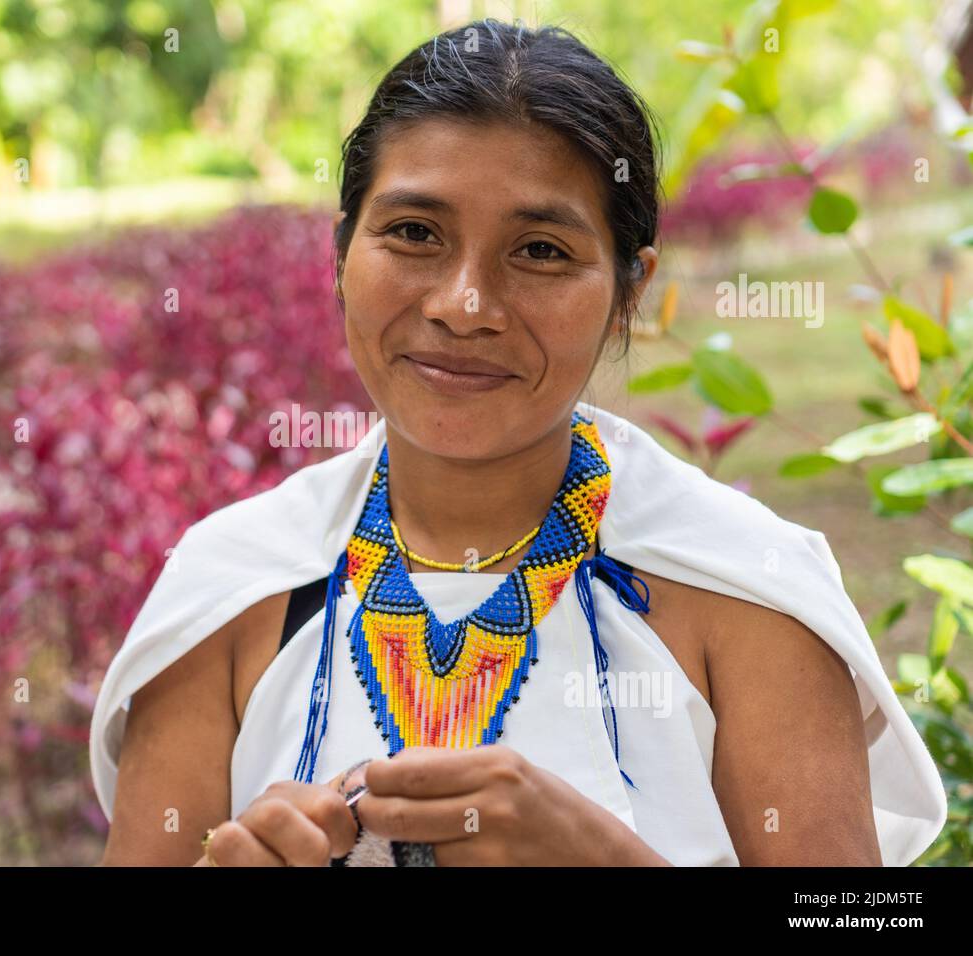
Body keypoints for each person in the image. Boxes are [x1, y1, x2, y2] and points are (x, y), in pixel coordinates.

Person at [89, 18, 947, 866]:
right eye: (414, 233)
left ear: (627, 293)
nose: (464, 305)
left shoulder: (745, 590)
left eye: (539, 250)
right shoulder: (232, 588)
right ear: (342, 251)